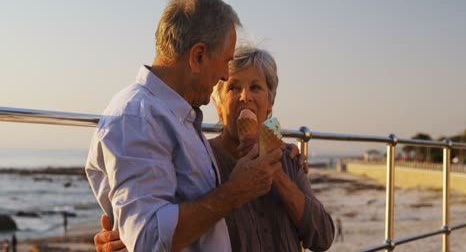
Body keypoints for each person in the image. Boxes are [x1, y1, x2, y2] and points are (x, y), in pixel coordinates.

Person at [86, 0, 291, 251]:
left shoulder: (177, 116)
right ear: (199, 56)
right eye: (225, 62)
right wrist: (234, 192)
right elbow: (148, 238)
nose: (225, 76)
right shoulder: (137, 117)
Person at [93, 45, 335, 251]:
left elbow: (323, 237)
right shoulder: (197, 159)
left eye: (256, 88)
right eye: (233, 87)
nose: (244, 97)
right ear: (217, 103)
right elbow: (156, 227)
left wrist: (277, 172)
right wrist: (124, 241)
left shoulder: (288, 158)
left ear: (269, 103)